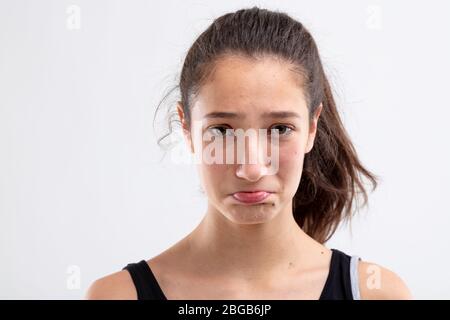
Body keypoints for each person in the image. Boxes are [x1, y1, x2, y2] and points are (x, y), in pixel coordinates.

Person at [86, 6, 412, 300]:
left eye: (280, 129)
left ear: (312, 127)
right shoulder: (116, 296)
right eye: (223, 131)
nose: (252, 168)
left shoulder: (376, 294)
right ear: (186, 128)